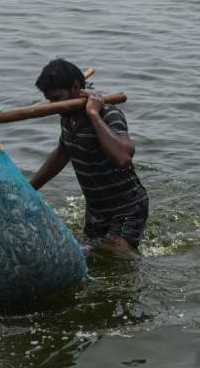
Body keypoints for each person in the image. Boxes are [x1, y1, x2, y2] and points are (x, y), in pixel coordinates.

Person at [29, 58, 149, 254]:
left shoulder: (108, 114)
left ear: (76, 87)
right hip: (96, 209)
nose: (54, 106)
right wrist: (29, 188)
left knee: (119, 259)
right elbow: (62, 152)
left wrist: (93, 114)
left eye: (58, 99)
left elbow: (123, 157)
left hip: (128, 207)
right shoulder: (67, 117)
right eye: (50, 101)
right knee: (95, 258)